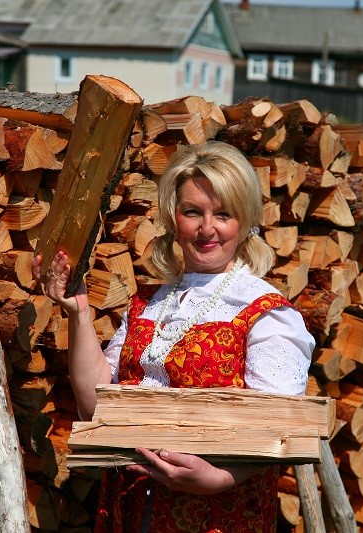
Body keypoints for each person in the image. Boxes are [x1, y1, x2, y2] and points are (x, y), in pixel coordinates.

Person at [33, 140, 315, 533]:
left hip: (216, 515)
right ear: (172, 218)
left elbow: (279, 430)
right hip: (127, 508)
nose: (206, 228)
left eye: (223, 214)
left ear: (245, 220)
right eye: (192, 212)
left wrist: (220, 478)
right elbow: (93, 407)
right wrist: (79, 314)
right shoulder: (149, 303)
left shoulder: (266, 313)